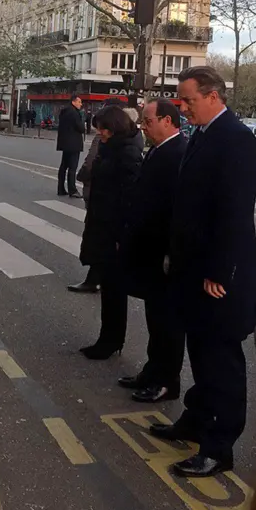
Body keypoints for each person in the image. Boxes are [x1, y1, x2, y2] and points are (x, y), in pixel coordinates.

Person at [149, 66, 256, 477]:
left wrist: (218, 270)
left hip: (219, 277)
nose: (182, 107)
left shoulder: (237, 139)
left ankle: (219, 446)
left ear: (213, 96)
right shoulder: (205, 135)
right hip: (193, 271)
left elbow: (233, 212)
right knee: (200, 354)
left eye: (188, 100)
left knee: (221, 362)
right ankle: (195, 422)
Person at [118, 98, 187, 403]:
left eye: (147, 121)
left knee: (167, 322)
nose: (142, 127)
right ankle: (152, 369)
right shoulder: (160, 150)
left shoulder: (177, 153)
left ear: (168, 121)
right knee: (154, 317)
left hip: (162, 252)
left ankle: (166, 380)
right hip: (148, 248)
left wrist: (170, 252)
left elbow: (176, 210)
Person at [78, 105, 143, 360]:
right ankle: (108, 338)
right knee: (109, 288)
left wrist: (120, 236)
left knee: (114, 291)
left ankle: (111, 341)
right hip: (103, 226)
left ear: (114, 128)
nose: (100, 134)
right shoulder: (112, 149)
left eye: (103, 129)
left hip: (114, 231)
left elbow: (128, 199)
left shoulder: (126, 154)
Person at [69, 98, 125, 294]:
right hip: (104, 200)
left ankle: (96, 278)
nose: (99, 131)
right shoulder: (128, 136)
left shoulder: (108, 141)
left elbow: (91, 163)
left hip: (100, 197)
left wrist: (82, 176)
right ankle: (95, 276)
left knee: (99, 237)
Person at [56, 94, 85, 198]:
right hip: (74, 143)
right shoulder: (74, 113)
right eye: (79, 102)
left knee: (64, 166)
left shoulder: (64, 112)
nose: (81, 104)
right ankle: (72, 190)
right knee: (72, 168)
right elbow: (80, 128)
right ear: (73, 102)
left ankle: (60, 188)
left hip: (65, 143)